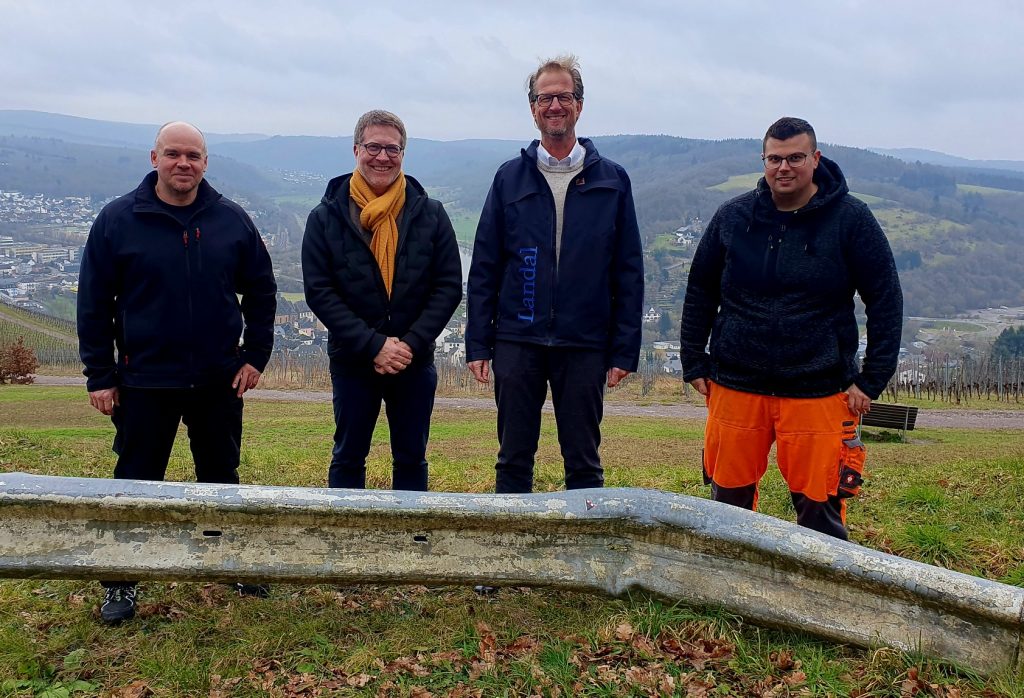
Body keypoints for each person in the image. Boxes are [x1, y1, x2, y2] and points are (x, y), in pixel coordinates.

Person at [77, 121, 277, 623]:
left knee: (221, 476)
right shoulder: (118, 220)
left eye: (193, 155)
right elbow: (94, 304)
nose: (183, 163)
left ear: (206, 163)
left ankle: (228, 561)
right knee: (136, 483)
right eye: (173, 154)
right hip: (144, 381)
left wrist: (255, 356)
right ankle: (121, 582)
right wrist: (99, 375)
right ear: (154, 158)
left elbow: (262, 291)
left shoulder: (232, 220)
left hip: (217, 379)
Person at [680, 116, 903, 540]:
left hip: (817, 389)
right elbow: (700, 290)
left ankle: (823, 592)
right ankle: (733, 587)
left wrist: (872, 379)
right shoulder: (733, 217)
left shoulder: (851, 220)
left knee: (819, 505)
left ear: (815, 159)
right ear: (763, 161)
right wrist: (694, 360)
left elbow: (886, 299)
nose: (785, 167)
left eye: (795, 158)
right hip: (736, 383)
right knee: (728, 501)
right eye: (775, 159)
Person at [465, 55, 644, 495]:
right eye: (545, 98)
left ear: (579, 105)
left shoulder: (612, 180)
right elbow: (485, 265)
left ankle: (586, 561)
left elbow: (628, 271)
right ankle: (510, 553)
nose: (555, 106)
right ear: (533, 108)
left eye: (564, 96)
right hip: (517, 340)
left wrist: (624, 349)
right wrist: (477, 342)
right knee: (512, 461)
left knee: (584, 463)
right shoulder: (510, 177)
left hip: (584, 342)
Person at [302, 110, 462, 492]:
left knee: (411, 457)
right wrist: (373, 345)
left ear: (403, 154)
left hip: (413, 359)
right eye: (373, 147)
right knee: (348, 455)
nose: (382, 157)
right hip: (354, 359)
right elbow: (320, 292)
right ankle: (345, 539)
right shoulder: (326, 217)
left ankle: (409, 538)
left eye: (392, 149)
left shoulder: (430, 214)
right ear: (356, 149)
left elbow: (449, 287)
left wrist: (409, 344)